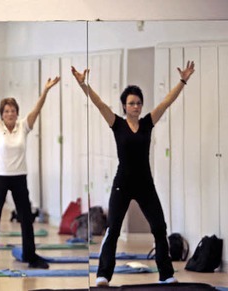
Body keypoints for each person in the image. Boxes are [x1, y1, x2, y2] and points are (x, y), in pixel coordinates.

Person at [71, 61, 195, 286]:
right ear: (124, 106)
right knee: (113, 229)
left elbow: (167, 102)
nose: (136, 106)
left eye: (138, 103)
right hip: (122, 183)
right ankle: (103, 275)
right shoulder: (116, 124)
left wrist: (183, 81)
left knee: (159, 227)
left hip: (145, 183)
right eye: (131, 103)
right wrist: (83, 85)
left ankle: (166, 274)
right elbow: (99, 104)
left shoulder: (148, 123)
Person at [0, 75, 60, 270]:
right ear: (2, 114)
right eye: (6, 111)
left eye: (13, 110)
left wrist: (45, 90)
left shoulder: (24, 126)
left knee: (26, 217)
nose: (10, 114)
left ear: (17, 113)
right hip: (0, 176)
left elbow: (37, 110)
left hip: (19, 177)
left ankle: (31, 256)